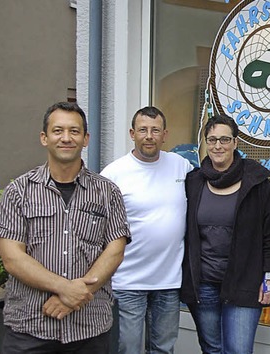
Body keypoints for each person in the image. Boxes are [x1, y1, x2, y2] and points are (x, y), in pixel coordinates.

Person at [0, 102, 131, 353]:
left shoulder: (107, 192)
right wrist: (64, 288)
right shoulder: (18, 192)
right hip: (30, 327)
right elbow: (12, 258)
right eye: (58, 131)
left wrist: (75, 296)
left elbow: (115, 251)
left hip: (89, 328)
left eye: (74, 131)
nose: (66, 138)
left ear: (86, 139)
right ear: (44, 138)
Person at [181, 114, 270, 354]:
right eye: (212, 139)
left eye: (225, 139)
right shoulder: (193, 182)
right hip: (204, 284)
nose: (218, 146)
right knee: (211, 348)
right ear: (206, 143)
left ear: (236, 143)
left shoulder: (256, 182)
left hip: (244, 281)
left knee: (238, 350)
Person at [100, 106, 193, 354]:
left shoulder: (181, 167)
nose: (149, 136)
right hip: (127, 281)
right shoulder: (113, 174)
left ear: (165, 135)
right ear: (132, 133)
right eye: (143, 130)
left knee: (163, 348)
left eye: (155, 130)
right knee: (128, 349)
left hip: (168, 282)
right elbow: (98, 227)